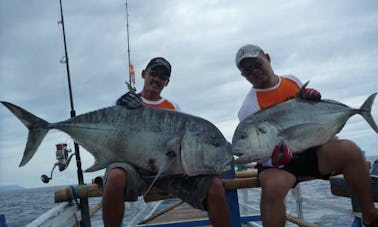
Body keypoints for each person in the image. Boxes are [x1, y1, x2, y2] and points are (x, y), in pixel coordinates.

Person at [235, 44, 378, 227]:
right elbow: (260, 152)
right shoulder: (248, 107)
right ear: (243, 76)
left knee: (350, 151)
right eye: (247, 70)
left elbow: (309, 114)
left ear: (268, 58)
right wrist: (276, 159)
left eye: (257, 64)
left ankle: (369, 214)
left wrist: (314, 101)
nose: (254, 71)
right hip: (280, 164)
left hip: (312, 149)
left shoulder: (291, 80)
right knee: (271, 187)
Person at [102, 57, 231, 227]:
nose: (157, 79)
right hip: (134, 167)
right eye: (154, 73)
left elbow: (186, 146)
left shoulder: (173, 108)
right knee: (115, 177)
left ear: (167, 82)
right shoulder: (123, 104)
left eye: (163, 77)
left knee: (214, 186)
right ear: (143, 74)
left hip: (170, 172)